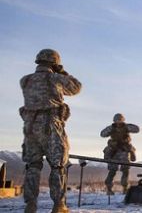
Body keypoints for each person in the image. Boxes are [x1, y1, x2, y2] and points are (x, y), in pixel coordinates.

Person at [20, 49, 82, 213]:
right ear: (54, 62)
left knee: (32, 166)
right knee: (58, 166)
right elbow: (76, 88)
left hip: (30, 128)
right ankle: (59, 205)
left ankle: (30, 205)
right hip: (51, 126)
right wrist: (62, 71)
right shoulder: (56, 78)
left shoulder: (25, 80)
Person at [100, 113, 139, 195]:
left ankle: (125, 187)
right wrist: (110, 128)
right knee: (112, 170)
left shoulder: (126, 127)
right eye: (117, 121)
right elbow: (102, 134)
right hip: (114, 151)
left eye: (120, 121)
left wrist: (127, 126)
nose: (118, 123)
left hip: (124, 150)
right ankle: (109, 188)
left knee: (125, 170)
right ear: (114, 121)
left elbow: (137, 129)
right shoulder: (111, 128)